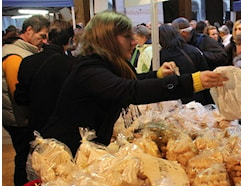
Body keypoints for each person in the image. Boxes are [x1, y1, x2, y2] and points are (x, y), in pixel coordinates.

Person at [40, 11, 227, 155]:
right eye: (127, 37)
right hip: (66, 151)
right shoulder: (89, 69)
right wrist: (192, 81)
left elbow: (131, 82)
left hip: (86, 147)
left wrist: (159, 75)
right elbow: (130, 90)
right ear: (108, 39)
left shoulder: (103, 64)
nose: (133, 42)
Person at [2, 15, 50, 186]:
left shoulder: (24, 52)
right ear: (29, 30)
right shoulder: (15, 55)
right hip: (19, 119)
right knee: (23, 157)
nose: (44, 41)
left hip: (21, 117)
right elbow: (18, 94)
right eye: (42, 36)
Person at [15, 20, 75, 135]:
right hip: (65, 127)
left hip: (36, 127)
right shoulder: (73, 65)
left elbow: (20, 97)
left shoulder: (27, 62)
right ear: (69, 40)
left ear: (47, 38)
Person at [159, 24, 210, 105]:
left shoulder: (160, 56)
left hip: (175, 102)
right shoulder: (194, 50)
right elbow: (206, 73)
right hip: (198, 97)